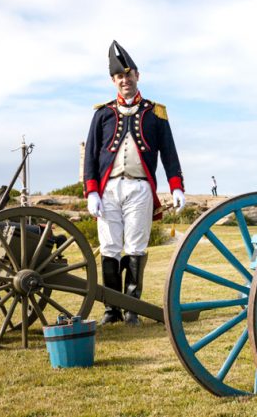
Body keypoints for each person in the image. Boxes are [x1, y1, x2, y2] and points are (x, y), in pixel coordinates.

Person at [84, 40, 185, 326]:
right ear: (113, 81)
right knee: (110, 247)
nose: (125, 80)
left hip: (140, 188)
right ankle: (111, 310)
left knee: (136, 247)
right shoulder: (102, 114)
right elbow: (90, 156)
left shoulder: (155, 112)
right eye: (120, 77)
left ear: (137, 76)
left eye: (129, 75)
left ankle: (132, 308)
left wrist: (176, 186)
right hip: (109, 190)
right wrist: (92, 192)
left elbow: (169, 152)